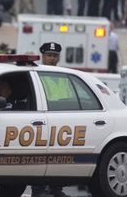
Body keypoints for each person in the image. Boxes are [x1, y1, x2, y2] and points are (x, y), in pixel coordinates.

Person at [32, 41, 71, 197]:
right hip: (42, 121)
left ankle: (56, 189)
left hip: (61, 122)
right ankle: (39, 190)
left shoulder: (63, 76)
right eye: (49, 55)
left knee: (61, 158)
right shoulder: (37, 73)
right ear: (43, 56)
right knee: (40, 157)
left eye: (55, 56)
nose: (52, 59)